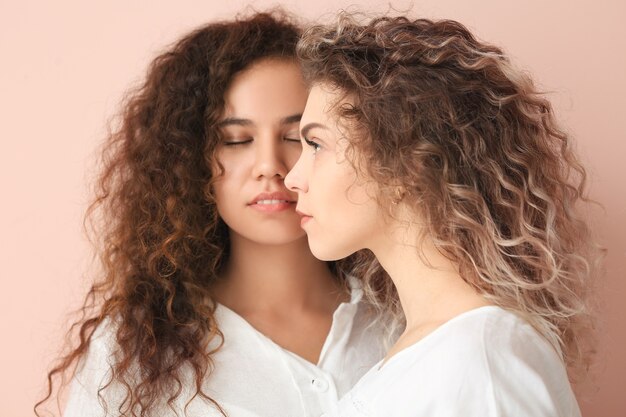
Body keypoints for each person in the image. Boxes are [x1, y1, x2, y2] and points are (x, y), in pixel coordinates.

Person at [35, 11, 387, 417]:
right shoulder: (133, 350)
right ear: (190, 160)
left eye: (299, 137)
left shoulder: (403, 320)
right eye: (236, 140)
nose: (270, 165)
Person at [285, 14, 599, 417]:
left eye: (316, 145)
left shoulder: (482, 364)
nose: (292, 178)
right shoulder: (435, 352)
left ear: (406, 163)